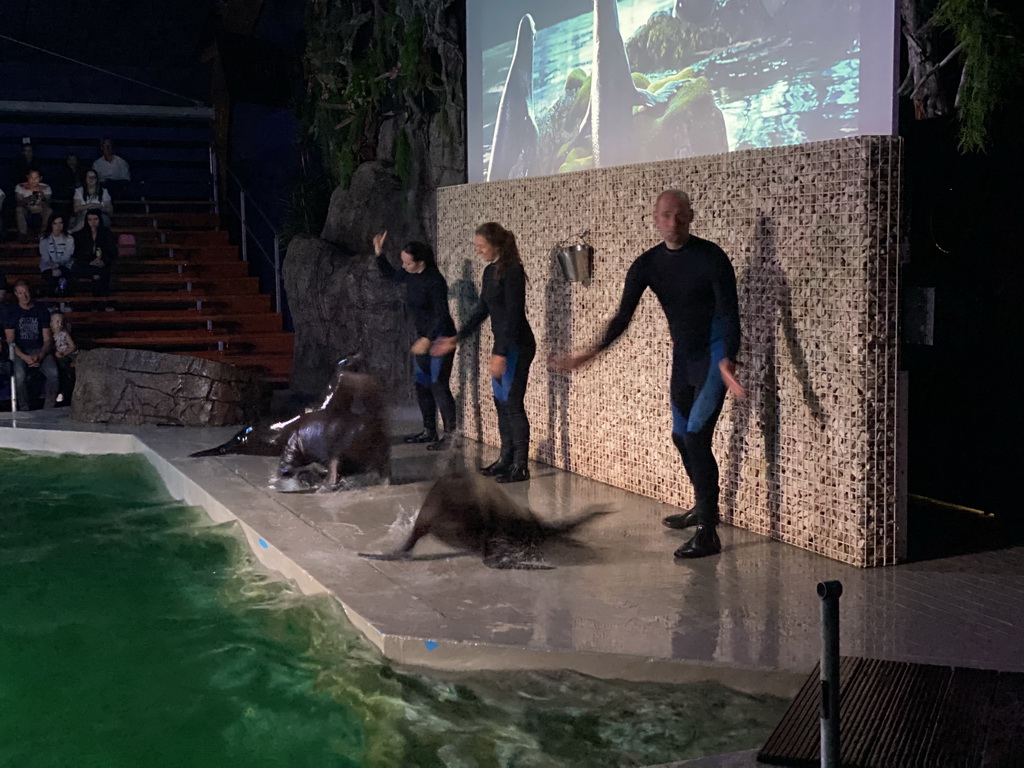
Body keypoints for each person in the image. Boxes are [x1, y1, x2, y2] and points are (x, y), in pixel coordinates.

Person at [552, 190, 745, 559]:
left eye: (679, 216)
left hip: (714, 355)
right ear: (655, 219)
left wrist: (729, 359)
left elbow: (730, 314)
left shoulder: (712, 257)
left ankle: (708, 532)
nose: (673, 223)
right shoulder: (647, 265)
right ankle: (704, 508)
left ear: (691, 216)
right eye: (665, 216)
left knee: (696, 436)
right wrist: (589, 354)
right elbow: (623, 317)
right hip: (684, 357)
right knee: (680, 436)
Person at [432, 222, 536, 483]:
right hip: (503, 346)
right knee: (500, 403)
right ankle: (505, 459)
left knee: (512, 404)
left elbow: (513, 316)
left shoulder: (513, 271)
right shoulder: (490, 272)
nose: (478, 251)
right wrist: (457, 337)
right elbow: (482, 310)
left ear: (497, 245)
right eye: (476, 246)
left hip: (517, 345)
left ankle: (520, 466)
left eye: (482, 246)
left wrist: (500, 352)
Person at [373, 231, 458, 450]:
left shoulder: (434, 280)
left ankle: (450, 437)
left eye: (407, 262)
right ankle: (429, 430)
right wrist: (379, 254)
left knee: (439, 384)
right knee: (422, 384)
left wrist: (429, 339)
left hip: (440, 336)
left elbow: (441, 313)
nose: (403, 266)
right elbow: (391, 276)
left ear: (420, 262)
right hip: (423, 337)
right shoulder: (409, 274)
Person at [3, 280, 58, 410]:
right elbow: (11, 341)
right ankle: (24, 407)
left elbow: (47, 339)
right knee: (20, 376)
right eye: (21, 293)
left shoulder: (41, 309)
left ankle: (49, 408)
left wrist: (41, 354)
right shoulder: (11, 312)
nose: (24, 296)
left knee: (53, 373)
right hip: (20, 351)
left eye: (26, 292)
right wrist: (24, 356)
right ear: (16, 294)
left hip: (40, 349)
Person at [73, 209, 118, 297]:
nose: (93, 222)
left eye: (95, 219)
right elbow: (78, 254)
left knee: (103, 274)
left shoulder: (107, 234)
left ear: (100, 219)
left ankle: (102, 303)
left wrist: (103, 261)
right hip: (85, 265)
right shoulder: (79, 235)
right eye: (90, 219)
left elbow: (112, 252)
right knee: (94, 274)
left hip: (102, 265)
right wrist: (89, 262)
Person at [39, 213, 76, 297]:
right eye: (55, 223)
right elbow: (44, 255)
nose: (58, 226)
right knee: (52, 280)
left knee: (65, 278)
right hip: (48, 266)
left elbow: (67, 255)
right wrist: (53, 266)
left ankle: (65, 303)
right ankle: (52, 303)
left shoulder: (69, 238)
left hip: (65, 265)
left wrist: (58, 267)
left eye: (60, 223)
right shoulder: (44, 238)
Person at [14, 169, 53, 242]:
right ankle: (23, 234)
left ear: (40, 178)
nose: (33, 180)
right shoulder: (20, 186)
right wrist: (30, 199)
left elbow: (47, 203)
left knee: (49, 210)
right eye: (31, 177)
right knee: (19, 209)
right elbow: (19, 202)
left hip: (40, 210)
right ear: (27, 177)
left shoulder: (46, 187)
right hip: (26, 210)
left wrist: (41, 198)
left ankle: (43, 234)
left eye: (36, 178)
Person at [50, 311, 77, 405]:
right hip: (55, 356)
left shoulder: (64, 333)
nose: (59, 324)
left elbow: (72, 346)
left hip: (66, 355)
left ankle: (65, 392)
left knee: (66, 367)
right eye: (57, 321)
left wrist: (65, 353)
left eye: (61, 321)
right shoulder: (49, 335)